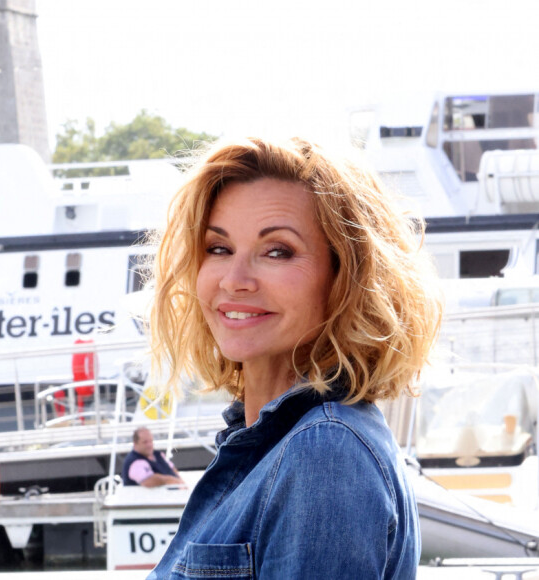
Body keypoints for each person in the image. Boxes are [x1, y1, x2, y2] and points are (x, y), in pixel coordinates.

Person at [145, 136, 442, 579]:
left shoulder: (325, 451)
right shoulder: (270, 444)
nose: (235, 280)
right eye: (219, 248)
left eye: (277, 251)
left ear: (346, 276)